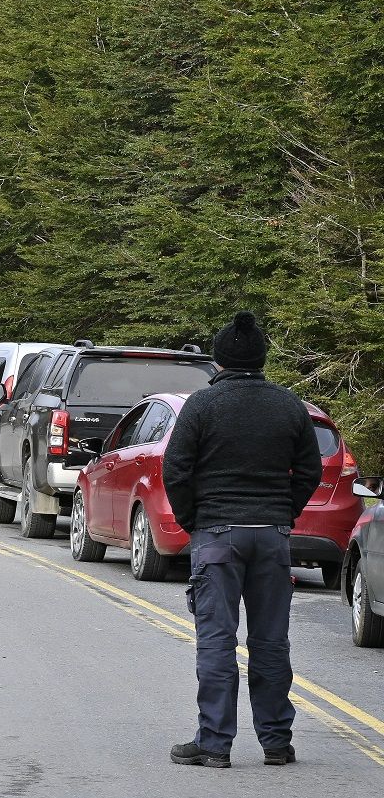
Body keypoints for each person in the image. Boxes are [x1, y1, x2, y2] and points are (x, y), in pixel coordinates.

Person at [163, 310, 322, 769]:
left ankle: (214, 744)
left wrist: (196, 521)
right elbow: (309, 470)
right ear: (262, 358)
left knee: (216, 641)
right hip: (271, 536)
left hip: (216, 534)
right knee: (271, 643)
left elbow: (176, 469)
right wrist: (283, 512)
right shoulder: (289, 405)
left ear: (218, 360)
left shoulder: (201, 406)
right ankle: (276, 743)